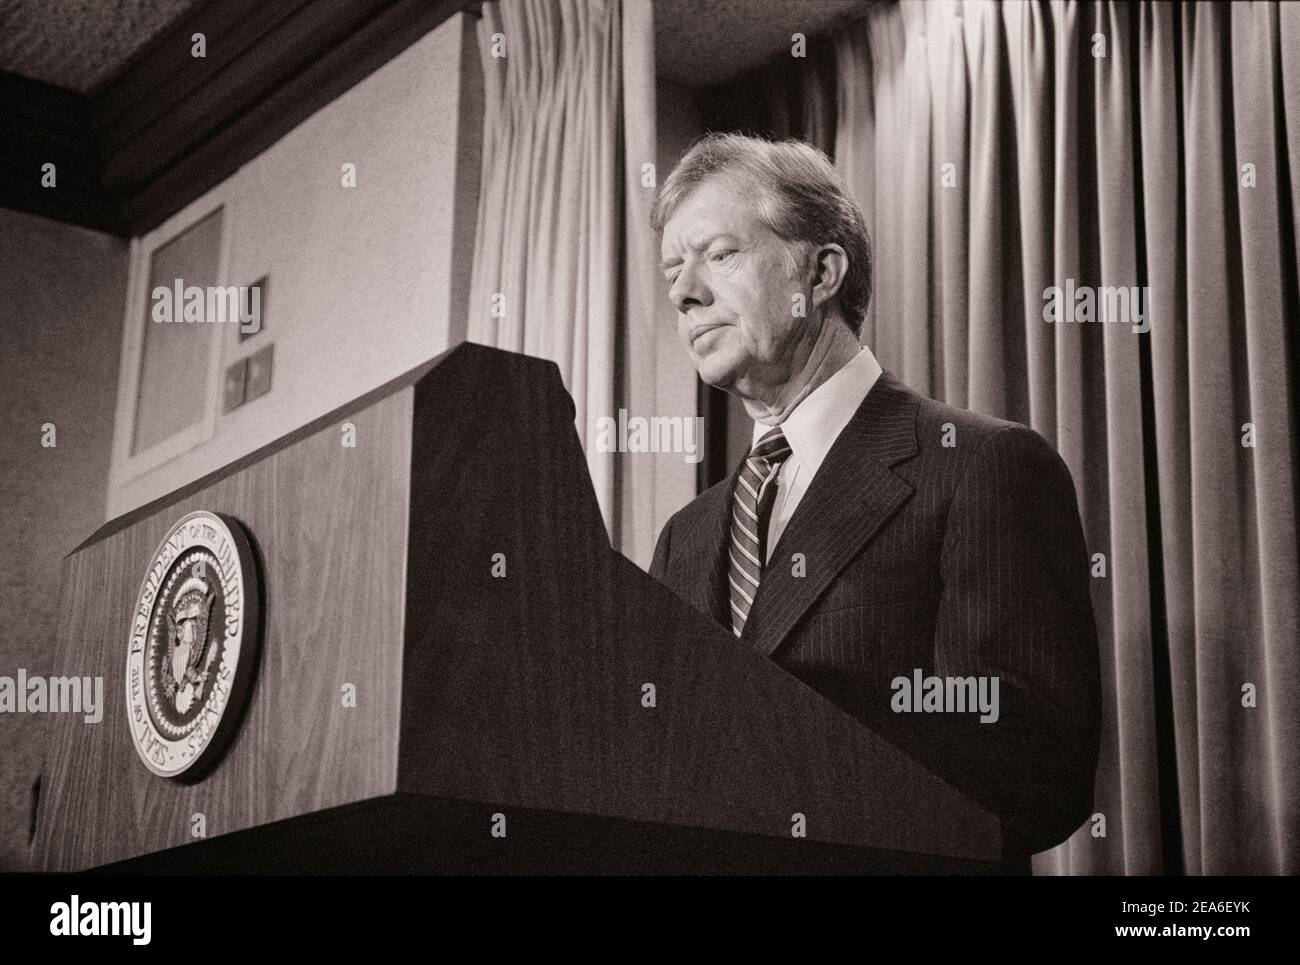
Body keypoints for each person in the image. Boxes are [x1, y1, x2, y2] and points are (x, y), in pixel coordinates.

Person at [648, 133, 1101, 861]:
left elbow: (1040, 763)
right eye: (674, 268)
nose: (683, 291)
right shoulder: (686, 536)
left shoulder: (981, 466)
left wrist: (784, 730)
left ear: (821, 271)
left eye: (719, 254)